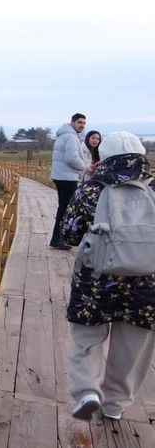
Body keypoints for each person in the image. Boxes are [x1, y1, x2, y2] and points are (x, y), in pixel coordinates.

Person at [61, 131, 155, 421]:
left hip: (96, 281)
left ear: (104, 158)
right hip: (146, 285)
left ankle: (87, 391)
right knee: (133, 350)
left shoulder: (91, 190)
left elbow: (70, 233)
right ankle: (115, 406)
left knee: (86, 340)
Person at [49, 113, 88, 249]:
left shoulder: (65, 135)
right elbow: (71, 158)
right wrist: (86, 168)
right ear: (72, 122)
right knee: (65, 209)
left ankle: (58, 239)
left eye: (84, 123)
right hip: (67, 177)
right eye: (79, 122)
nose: (82, 125)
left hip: (61, 176)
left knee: (63, 208)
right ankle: (57, 239)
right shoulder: (71, 137)